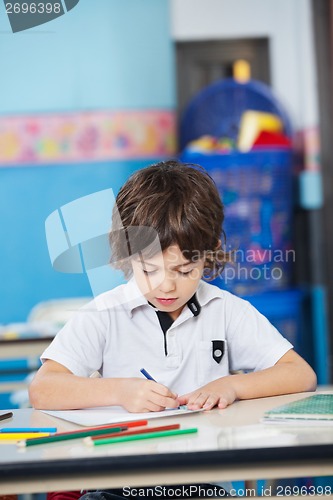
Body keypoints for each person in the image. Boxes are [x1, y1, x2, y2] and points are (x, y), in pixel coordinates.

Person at [29, 160, 317, 499]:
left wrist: (232, 385)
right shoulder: (103, 313)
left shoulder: (225, 309)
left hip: (202, 485)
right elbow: (43, 389)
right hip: (119, 485)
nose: (167, 286)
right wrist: (119, 392)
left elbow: (300, 374)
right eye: (149, 269)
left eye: (184, 269)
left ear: (207, 255)